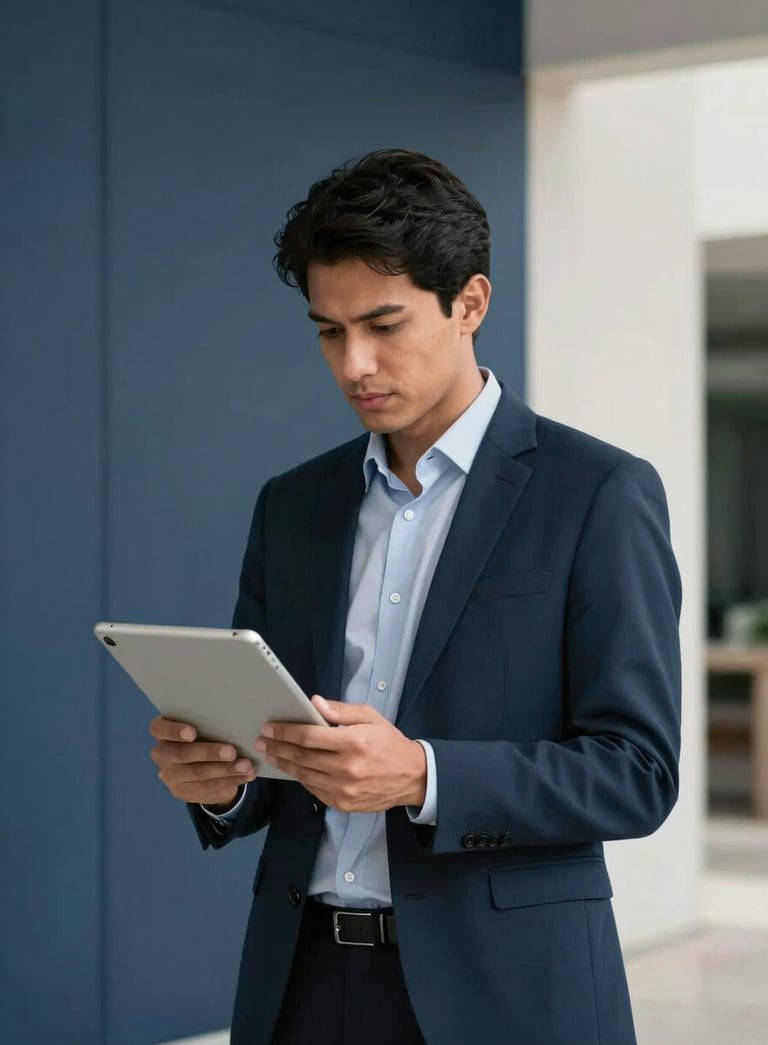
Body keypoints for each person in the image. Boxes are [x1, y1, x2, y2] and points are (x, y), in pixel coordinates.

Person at [149, 148, 682, 1045]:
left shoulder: (597, 492)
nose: (354, 362)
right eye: (329, 330)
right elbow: (270, 748)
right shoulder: (295, 504)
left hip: (505, 992)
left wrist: (426, 775)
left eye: (384, 324)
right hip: (301, 983)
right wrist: (218, 782)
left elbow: (638, 771)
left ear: (469, 303)